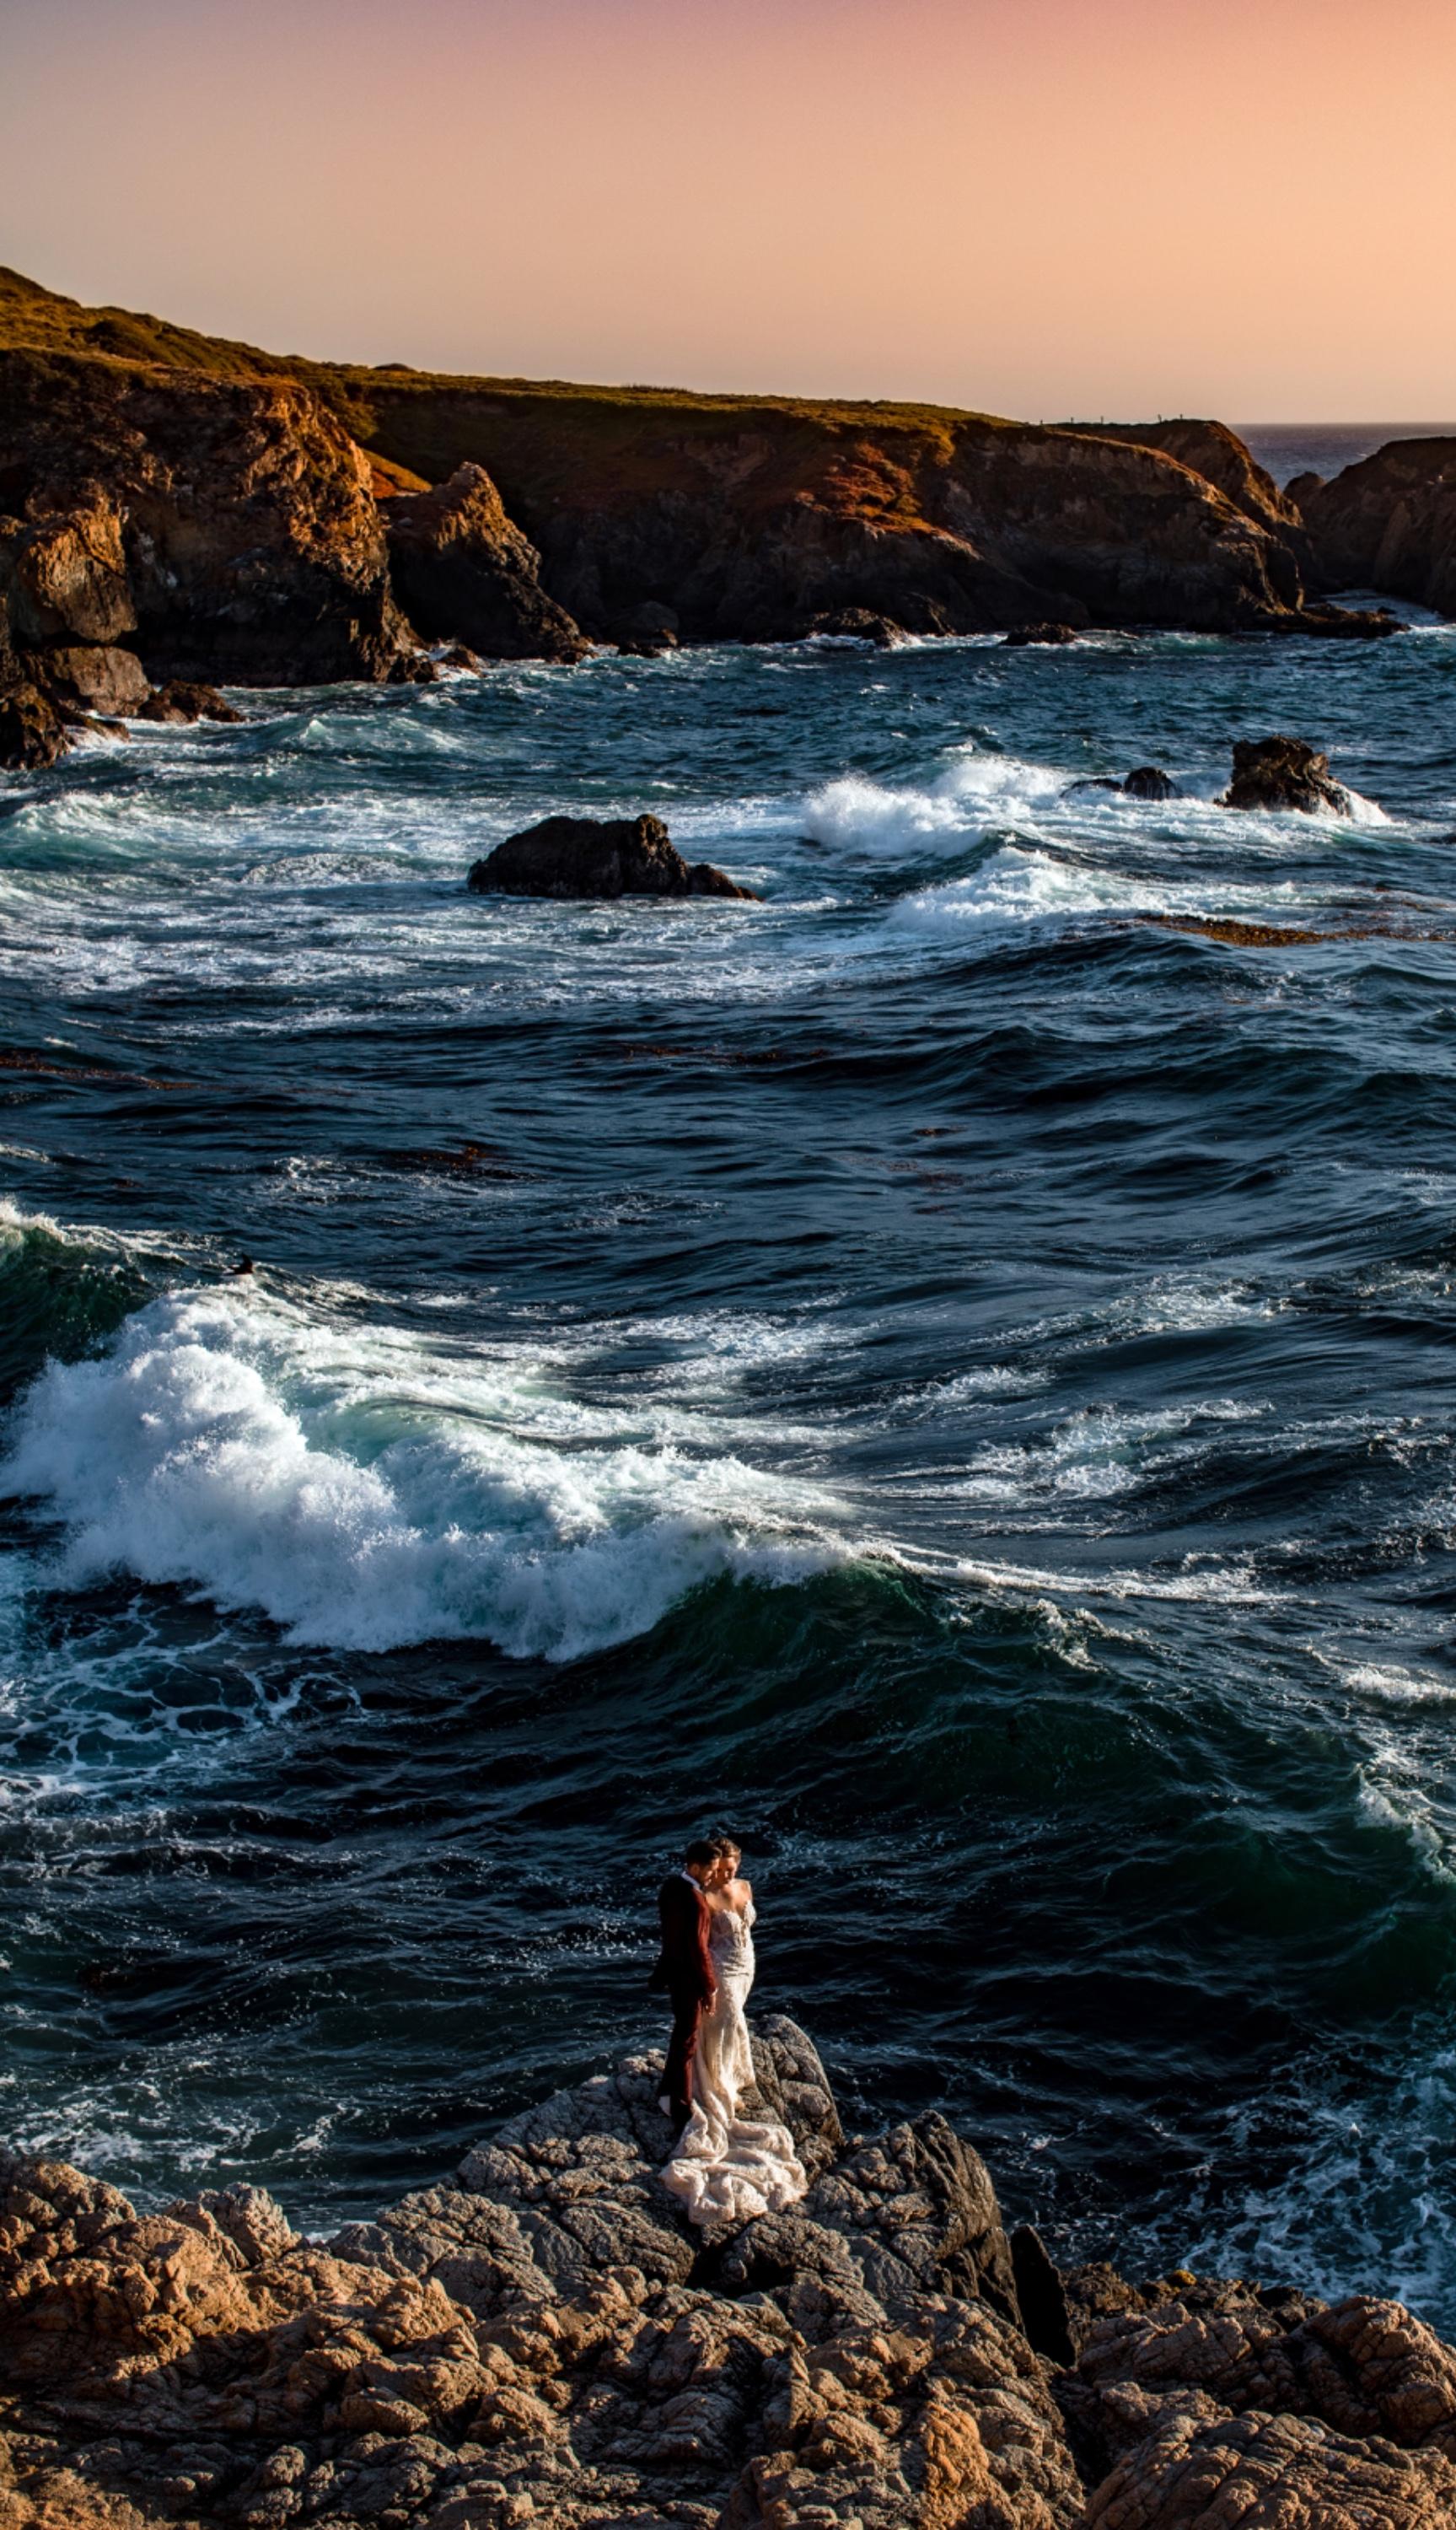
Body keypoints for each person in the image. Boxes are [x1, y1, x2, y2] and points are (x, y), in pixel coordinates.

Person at [657, 1835, 808, 2226]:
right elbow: (696, 1944)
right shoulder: (701, 1895)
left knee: (735, 2021)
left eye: (731, 1867)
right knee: (722, 2024)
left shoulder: (744, 1887)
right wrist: (706, 1986)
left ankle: (729, 2075)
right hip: (721, 1970)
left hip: (746, 1965)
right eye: (720, 1868)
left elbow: (745, 1925)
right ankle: (713, 2082)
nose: (726, 1874)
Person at [648, 1838, 719, 2129]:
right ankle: (679, 2104)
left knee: (680, 2035)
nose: (713, 1876)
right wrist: (710, 1988)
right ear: (694, 1866)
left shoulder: (669, 1888)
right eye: (711, 1870)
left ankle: (667, 2090)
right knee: (687, 2040)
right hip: (690, 1977)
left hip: (672, 1971)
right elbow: (699, 1951)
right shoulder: (696, 1901)